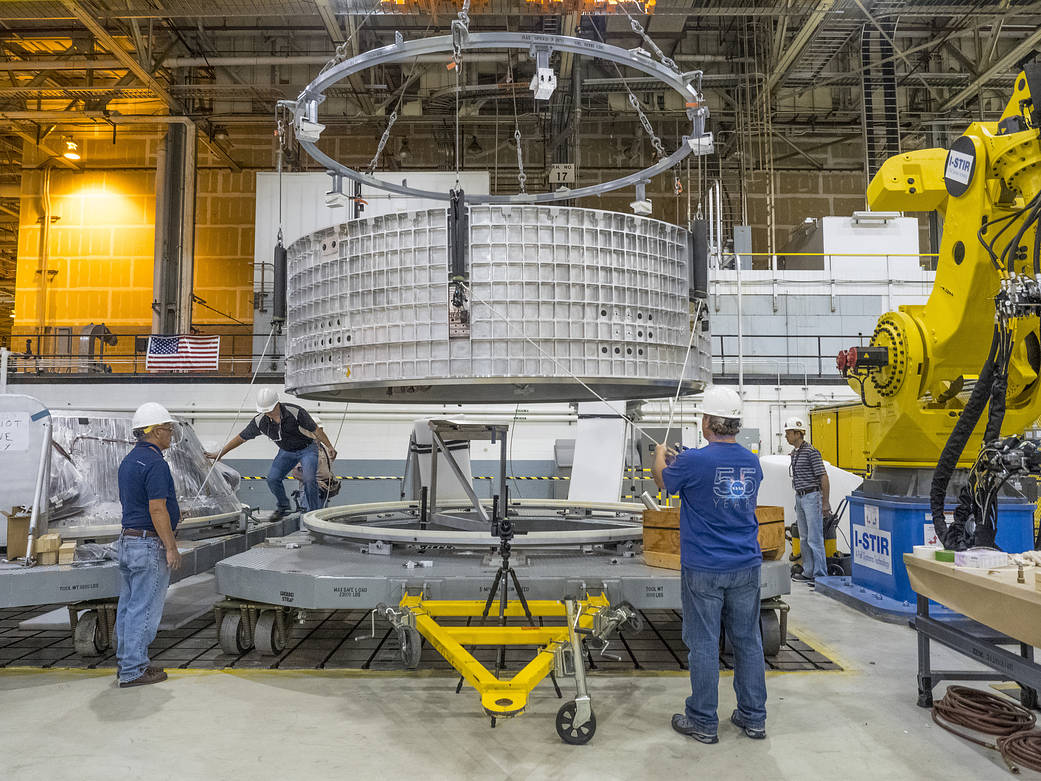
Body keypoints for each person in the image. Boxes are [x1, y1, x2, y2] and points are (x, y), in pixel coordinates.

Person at [652, 386, 768, 744]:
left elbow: (663, 483)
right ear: (734, 424)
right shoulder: (752, 461)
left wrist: (660, 456)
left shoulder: (692, 461)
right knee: (748, 641)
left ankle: (702, 721)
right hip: (746, 564)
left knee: (702, 643)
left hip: (704, 567)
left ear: (707, 423)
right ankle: (753, 718)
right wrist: (683, 462)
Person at [115, 402, 183, 688]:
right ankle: (133, 670)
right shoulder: (156, 463)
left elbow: (141, 504)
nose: (170, 434)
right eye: (168, 429)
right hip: (148, 545)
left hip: (128, 542)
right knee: (144, 609)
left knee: (129, 607)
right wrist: (170, 546)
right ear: (155, 432)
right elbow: (156, 509)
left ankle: (127, 663)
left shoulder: (129, 460)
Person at [205, 388, 336, 519]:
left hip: (307, 449)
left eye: (270, 410)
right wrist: (220, 453)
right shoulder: (260, 421)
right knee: (272, 478)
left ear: (277, 404)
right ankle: (283, 506)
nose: (268, 413)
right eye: (265, 411)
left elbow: (316, 430)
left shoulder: (296, 412)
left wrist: (329, 446)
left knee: (309, 478)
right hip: (286, 451)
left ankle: (312, 513)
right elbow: (241, 438)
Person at [784, 416, 831, 584]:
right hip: (800, 496)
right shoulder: (795, 454)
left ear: (798, 433)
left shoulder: (811, 452)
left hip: (812, 497)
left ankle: (820, 574)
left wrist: (825, 503)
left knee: (814, 538)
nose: (786, 436)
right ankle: (808, 571)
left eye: (789, 432)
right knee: (804, 537)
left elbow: (823, 477)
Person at [290, 413, 340, 508]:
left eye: (321, 430)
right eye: (318, 431)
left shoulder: (324, 448)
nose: (320, 433)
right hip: (310, 492)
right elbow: (296, 473)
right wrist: (316, 483)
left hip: (324, 492)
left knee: (321, 518)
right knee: (310, 517)